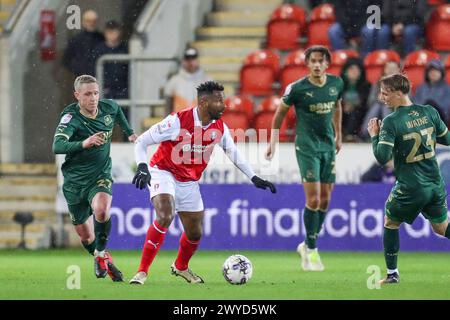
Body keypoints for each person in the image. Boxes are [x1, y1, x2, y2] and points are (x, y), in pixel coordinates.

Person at [129, 81, 276, 285]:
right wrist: (143, 166)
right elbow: (141, 141)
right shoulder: (177, 121)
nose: (223, 105)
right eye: (218, 101)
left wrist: (254, 177)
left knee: (195, 232)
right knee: (165, 213)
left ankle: (181, 267)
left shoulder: (219, 127)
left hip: (189, 180)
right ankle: (142, 272)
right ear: (204, 102)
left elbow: (233, 152)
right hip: (163, 171)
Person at [265, 45, 344, 271]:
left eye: (321, 61)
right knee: (314, 199)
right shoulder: (297, 89)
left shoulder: (336, 84)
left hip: (327, 145)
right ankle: (311, 249)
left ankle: (308, 244)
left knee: (326, 200)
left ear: (327, 64)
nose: (317, 65)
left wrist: (338, 135)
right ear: (307, 64)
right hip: (306, 147)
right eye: (313, 61)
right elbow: (279, 114)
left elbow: (337, 106)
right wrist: (273, 142)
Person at [52, 75, 137, 281]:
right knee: (86, 236)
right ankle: (104, 260)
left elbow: (117, 111)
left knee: (101, 209)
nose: (93, 98)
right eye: (88, 94)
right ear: (77, 96)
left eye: (96, 93)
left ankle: (100, 254)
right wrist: (84, 143)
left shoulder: (108, 108)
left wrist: (130, 132)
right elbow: (57, 146)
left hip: (100, 174)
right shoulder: (70, 118)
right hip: (74, 182)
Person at [367, 73, 450, 284]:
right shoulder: (429, 112)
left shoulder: (392, 121)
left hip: (412, 186)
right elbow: (447, 139)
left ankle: (392, 274)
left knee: (390, 222)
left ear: (398, 92)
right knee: (441, 227)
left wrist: (375, 135)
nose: (381, 97)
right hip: (434, 183)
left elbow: (382, 157)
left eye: (385, 93)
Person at [361, 61, 400, 141]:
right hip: (378, 109)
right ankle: (368, 132)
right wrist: (379, 99)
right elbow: (370, 102)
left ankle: (387, 131)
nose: (391, 70)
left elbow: (407, 101)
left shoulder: (403, 84)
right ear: (384, 70)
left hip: (397, 109)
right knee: (378, 106)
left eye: (393, 68)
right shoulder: (377, 84)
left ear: (398, 70)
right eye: (388, 68)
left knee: (384, 106)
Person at [164, 47, 211, 114]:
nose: (191, 62)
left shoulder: (208, 82)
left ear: (197, 60)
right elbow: (168, 108)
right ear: (183, 61)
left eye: (193, 58)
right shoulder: (173, 82)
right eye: (188, 59)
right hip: (180, 122)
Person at [93, 20, 129, 99]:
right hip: (105, 89)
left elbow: (129, 69)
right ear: (105, 33)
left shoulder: (125, 49)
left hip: (123, 89)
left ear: (120, 33)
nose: (112, 35)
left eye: (114, 32)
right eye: (109, 32)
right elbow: (92, 70)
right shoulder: (99, 50)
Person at [63, 10, 104, 77]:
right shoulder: (76, 39)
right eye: (88, 21)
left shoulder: (102, 38)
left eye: (94, 21)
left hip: (101, 77)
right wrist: (79, 69)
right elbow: (66, 59)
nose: (91, 23)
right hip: (83, 78)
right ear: (83, 22)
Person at [340, 57, 371, 141]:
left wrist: (353, 104)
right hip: (342, 110)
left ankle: (350, 135)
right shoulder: (339, 84)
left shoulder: (366, 85)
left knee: (354, 111)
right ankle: (339, 133)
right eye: (351, 70)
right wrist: (343, 105)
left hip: (359, 111)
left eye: (356, 70)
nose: (354, 72)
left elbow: (366, 102)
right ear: (345, 71)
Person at [414, 59, 450, 124]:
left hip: (439, 122)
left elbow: (446, 111)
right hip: (420, 121)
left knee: (430, 103)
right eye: (431, 71)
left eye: (436, 70)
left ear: (442, 73)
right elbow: (416, 106)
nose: (433, 73)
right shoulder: (421, 88)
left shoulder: (447, 89)